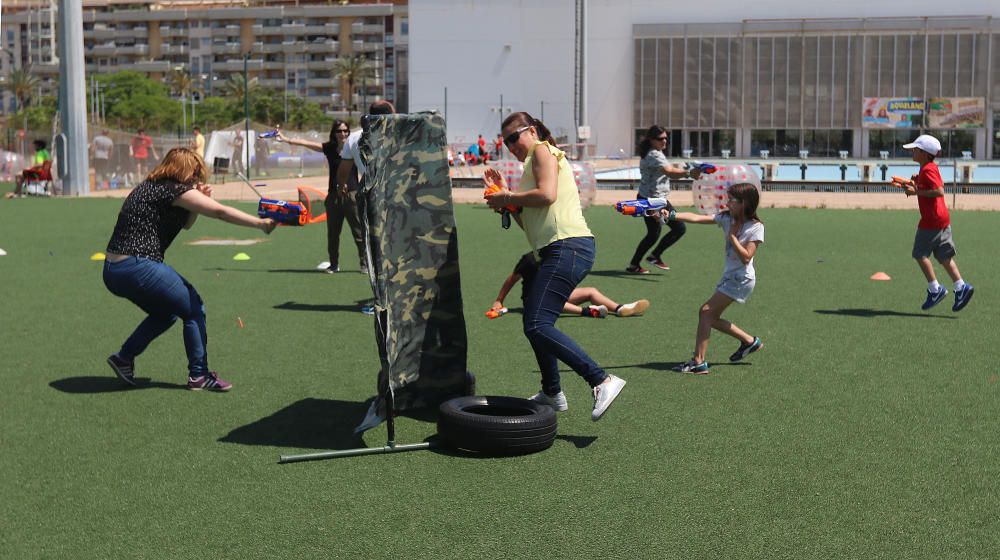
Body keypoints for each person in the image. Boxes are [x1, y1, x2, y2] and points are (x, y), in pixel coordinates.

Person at [485, 111, 626, 421]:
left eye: (514, 137)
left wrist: (508, 195)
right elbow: (532, 224)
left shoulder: (542, 150)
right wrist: (507, 205)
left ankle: (601, 380)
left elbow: (547, 195)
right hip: (554, 248)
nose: (510, 145)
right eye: (505, 141)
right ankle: (552, 392)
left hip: (568, 246)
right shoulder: (531, 162)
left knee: (537, 324)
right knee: (534, 321)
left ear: (531, 131)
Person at [102, 147, 277, 391]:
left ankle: (123, 358)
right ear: (179, 169)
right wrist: (261, 224)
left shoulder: (152, 186)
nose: (197, 179)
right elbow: (219, 211)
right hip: (136, 265)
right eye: (193, 173)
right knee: (194, 308)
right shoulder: (172, 188)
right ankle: (199, 375)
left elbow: (185, 225)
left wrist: (195, 203)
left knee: (166, 313)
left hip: (114, 270)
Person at [667, 183, 765, 374]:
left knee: (705, 312)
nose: (727, 203)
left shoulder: (756, 227)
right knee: (711, 317)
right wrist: (671, 215)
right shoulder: (727, 217)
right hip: (731, 276)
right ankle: (749, 342)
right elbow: (697, 217)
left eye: (732, 200)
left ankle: (698, 361)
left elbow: (746, 257)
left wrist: (733, 237)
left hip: (741, 279)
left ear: (744, 203)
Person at [899, 134, 974, 312]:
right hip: (941, 219)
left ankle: (935, 289)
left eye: (915, 149)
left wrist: (916, 192)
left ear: (924, 153)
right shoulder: (928, 168)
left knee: (919, 254)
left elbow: (939, 191)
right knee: (944, 257)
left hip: (931, 221)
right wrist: (916, 184)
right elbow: (930, 187)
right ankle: (961, 286)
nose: (913, 151)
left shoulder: (928, 169)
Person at [278, 120, 365, 274]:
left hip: (352, 195)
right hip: (333, 196)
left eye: (346, 131)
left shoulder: (354, 146)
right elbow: (306, 143)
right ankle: (334, 265)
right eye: (339, 131)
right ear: (334, 133)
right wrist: (286, 139)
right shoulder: (329, 149)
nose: (343, 134)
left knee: (358, 232)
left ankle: (364, 264)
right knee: (333, 233)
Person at [626, 126, 699, 274]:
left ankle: (635, 264)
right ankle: (654, 256)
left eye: (666, 138)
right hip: (653, 201)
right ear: (652, 140)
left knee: (653, 234)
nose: (664, 141)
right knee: (679, 228)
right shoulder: (654, 154)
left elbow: (668, 169)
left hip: (647, 198)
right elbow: (670, 172)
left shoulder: (653, 152)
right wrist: (689, 173)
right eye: (660, 139)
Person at [491, 252, 651, 319]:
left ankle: (619, 309)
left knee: (591, 291)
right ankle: (587, 312)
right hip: (534, 301)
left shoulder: (558, 256)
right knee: (552, 300)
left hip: (555, 294)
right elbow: (512, 279)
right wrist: (499, 300)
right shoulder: (529, 259)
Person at [337, 100, 396, 192]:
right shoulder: (400, 136)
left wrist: (340, 186)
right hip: (399, 193)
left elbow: (344, 170)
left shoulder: (353, 138)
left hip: (373, 194)